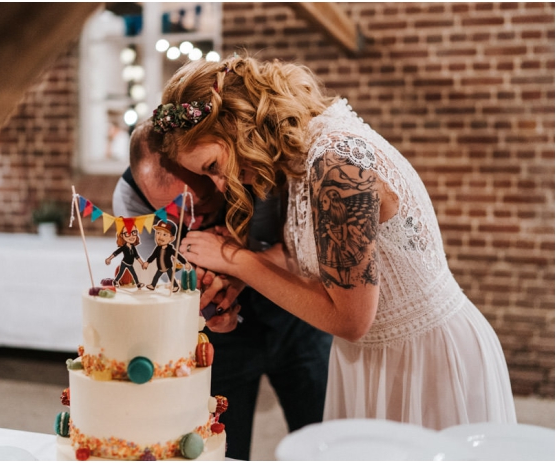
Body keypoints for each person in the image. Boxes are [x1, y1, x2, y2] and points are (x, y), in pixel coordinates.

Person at [164, 55, 515, 428]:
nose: (220, 185)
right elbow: (309, 256)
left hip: (426, 359)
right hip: (376, 357)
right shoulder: (304, 152)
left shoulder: (336, 165)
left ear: (236, 123)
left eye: (213, 166)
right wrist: (240, 273)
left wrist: (236, 260)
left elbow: (350, 319)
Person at [112, 119, 332, 459]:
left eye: (198, 208)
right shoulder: (130, 199)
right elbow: (162, 285)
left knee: (323, 441)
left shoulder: (260, 168)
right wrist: (210, 309)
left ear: (218, 172)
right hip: (221, 344)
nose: (189, 223)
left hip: (297, 318)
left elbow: (305, 250)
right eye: (170, 212)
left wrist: (237, 265)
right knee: (223, 450)